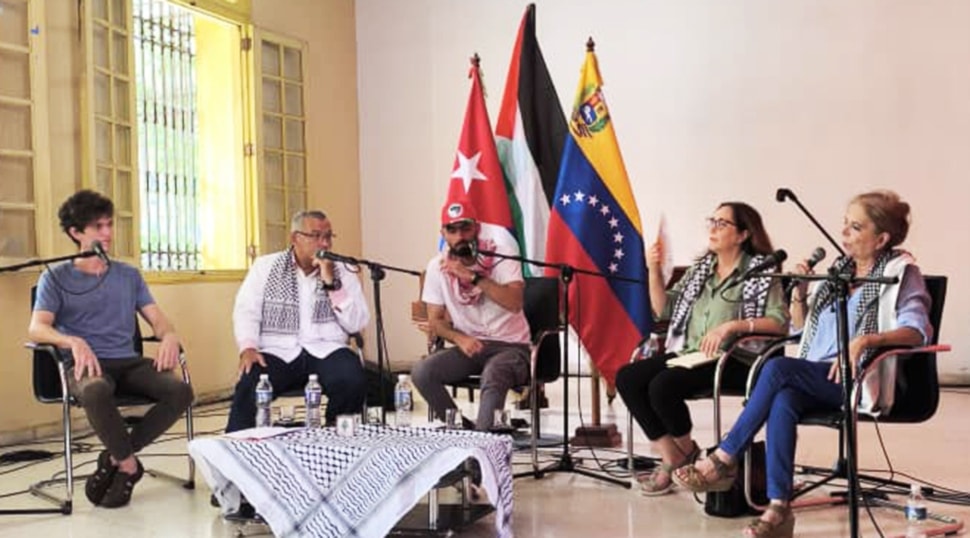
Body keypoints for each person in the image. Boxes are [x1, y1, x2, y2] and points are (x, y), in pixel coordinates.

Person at [673, 191, 931, 538]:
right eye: (845, 223)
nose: (844, 233)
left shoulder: (902, 273)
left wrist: (868, 340)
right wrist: (799, 294)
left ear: (881, 238)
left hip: (860, 379)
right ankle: (780, 510)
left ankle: (724, 458)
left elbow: (917, 331)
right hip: (818, 375)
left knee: (778, 371)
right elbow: (800, 329)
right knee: (783, 400)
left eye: (855, 227)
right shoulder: (839, 272)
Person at [28, 190, 193, 508]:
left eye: (109, 225)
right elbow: (37, 328)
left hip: (129, 362)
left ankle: (118, 456)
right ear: (76, 233)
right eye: (98, 227)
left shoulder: (128, 275)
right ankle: (130, 466)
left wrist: (170, 335)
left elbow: (158, 321)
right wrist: (72, 341)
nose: (107, 233)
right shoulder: (55, 277)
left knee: (180, 391)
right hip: (87, 366)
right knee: (96, 390)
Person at [615, 202, 789, 496]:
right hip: (693, 354)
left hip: (735, 359)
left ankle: (676, 462)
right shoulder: (701, 270)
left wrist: (732, 327)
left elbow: (779, 323)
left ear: (743, 234)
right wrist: (653, 270)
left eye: (722, 224)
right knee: (628, 377)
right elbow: (663, 309)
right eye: (712, 221)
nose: (713, 228)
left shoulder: (760, 271)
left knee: (662, 386)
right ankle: (677, 456)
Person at [226, 210, 369, 433]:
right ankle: (238, 451)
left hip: (326, 349)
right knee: (249, 382)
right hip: (278, 350)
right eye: (316, 236)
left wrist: (331, 283)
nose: (325, 243)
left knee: (351, 377)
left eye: (329, 236)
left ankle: (340, 440)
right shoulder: (265, 267)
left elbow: (356, 323)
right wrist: (248, 347)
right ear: (295, 239)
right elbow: (246, 310)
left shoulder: (342, 270)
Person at [410, 198, 530, 431]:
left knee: (495, 372)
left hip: (513, 347)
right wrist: (459, 338)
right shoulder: (438, 267)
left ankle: (480, 455)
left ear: (476, 228)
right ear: (443, 233)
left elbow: (515, 303)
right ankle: (463, 433)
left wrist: (473, 277)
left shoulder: (502, 255)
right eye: (452, 230)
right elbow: (435, 321)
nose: (459, 236)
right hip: (471, 346)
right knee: (423, 372)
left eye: (465, 228)